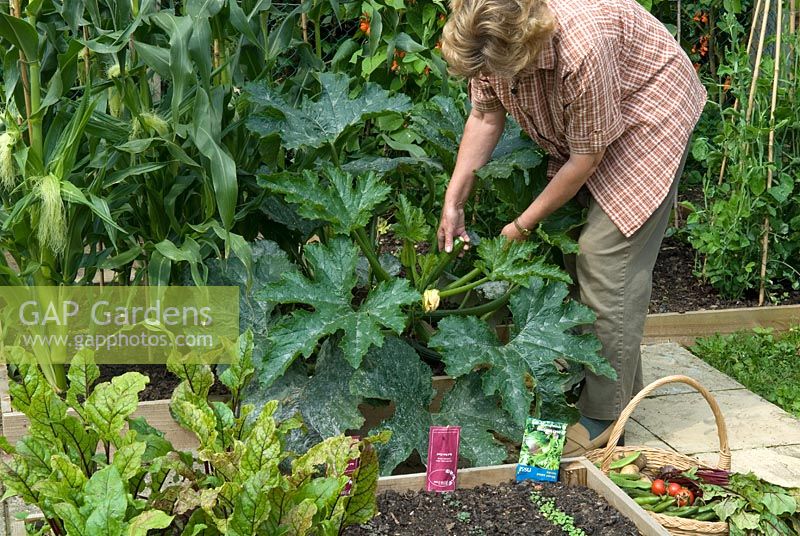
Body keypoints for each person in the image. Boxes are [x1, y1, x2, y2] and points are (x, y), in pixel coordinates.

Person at [437, 0, 706, 456]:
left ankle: (604, 414)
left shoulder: (581, 47)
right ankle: (608, 378)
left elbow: (586, 158)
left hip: (648, 108)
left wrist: (522, 224)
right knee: (574, 253)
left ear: (523, 45)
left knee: (605, 257)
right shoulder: (486, 25)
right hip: (595, 123)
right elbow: (485, 115)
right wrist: (453, 200)